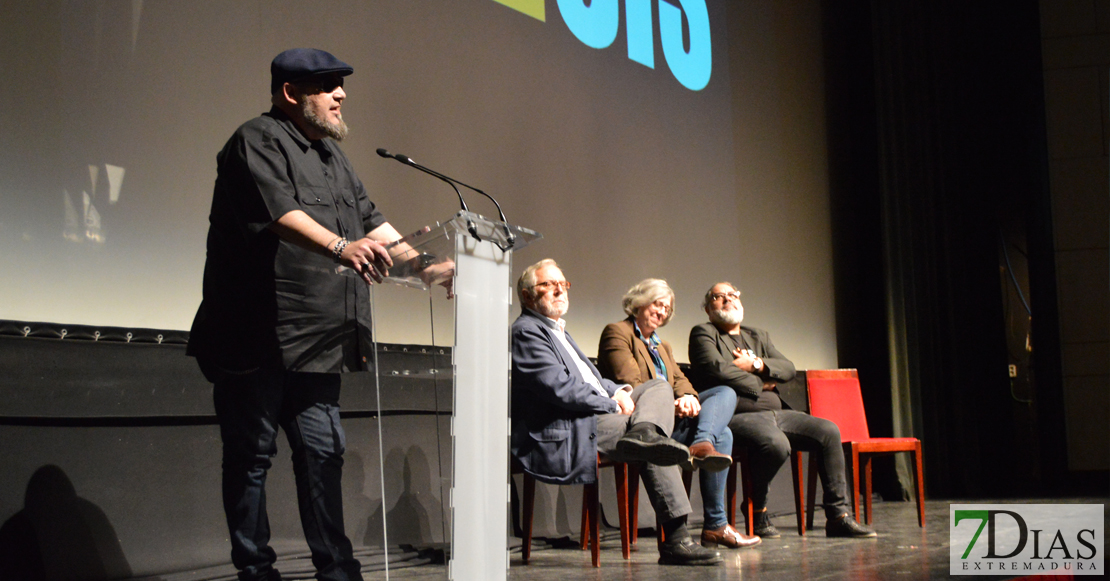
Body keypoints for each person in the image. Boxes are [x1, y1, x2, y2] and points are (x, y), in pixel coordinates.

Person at [187, 48, 450, 581]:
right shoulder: (254, 141)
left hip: (319, 342)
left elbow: (373, 224)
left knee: (322, 458)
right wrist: (338, 246)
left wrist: (424, 267)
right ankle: (256, 570)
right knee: (250, 462)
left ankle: (337, 570)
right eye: (328, 85)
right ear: (291, 93)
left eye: (341, 85)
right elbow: (278, 213)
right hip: (255, 338)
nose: (341, 95)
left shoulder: (334, 157)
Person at [511, 260, 723, 566]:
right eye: (548, 284)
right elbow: (559, 388)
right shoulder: (527, 331)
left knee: (658, 388)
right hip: (564, 427)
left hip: (591, 415)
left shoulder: (557, 330)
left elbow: (592, 379)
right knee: (655, 442)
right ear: (528, 296)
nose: (559, 289)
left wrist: (617, 391)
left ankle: (644, 433)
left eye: (563, 283)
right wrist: (612, 403)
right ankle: (676, 540)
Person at [687, 282, 877, 539]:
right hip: (736, 416)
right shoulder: (703, 333)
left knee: (828, 431)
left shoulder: (758, 336)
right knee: (776, 444)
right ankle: (758, 507)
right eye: (719, 297)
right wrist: (762, 382)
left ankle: (837, 516)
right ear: (709, 310)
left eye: (732, 295)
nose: (727, 299)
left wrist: (755, 363)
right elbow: (717, 370)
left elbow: (787, 368)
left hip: (779, 413)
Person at [597, 278, 761, 550]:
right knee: (725, 432)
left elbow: (681, 380)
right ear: (638, 302)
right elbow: (632, 385)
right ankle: (715, 519)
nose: (661, 311)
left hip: (674, 416)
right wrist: (672, 404)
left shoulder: (663, 346)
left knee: (725, 395)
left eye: (666, 308)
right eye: (657, 304)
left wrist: (688, 398)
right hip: (643, 422)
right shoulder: (617, 332)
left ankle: (714, 524)